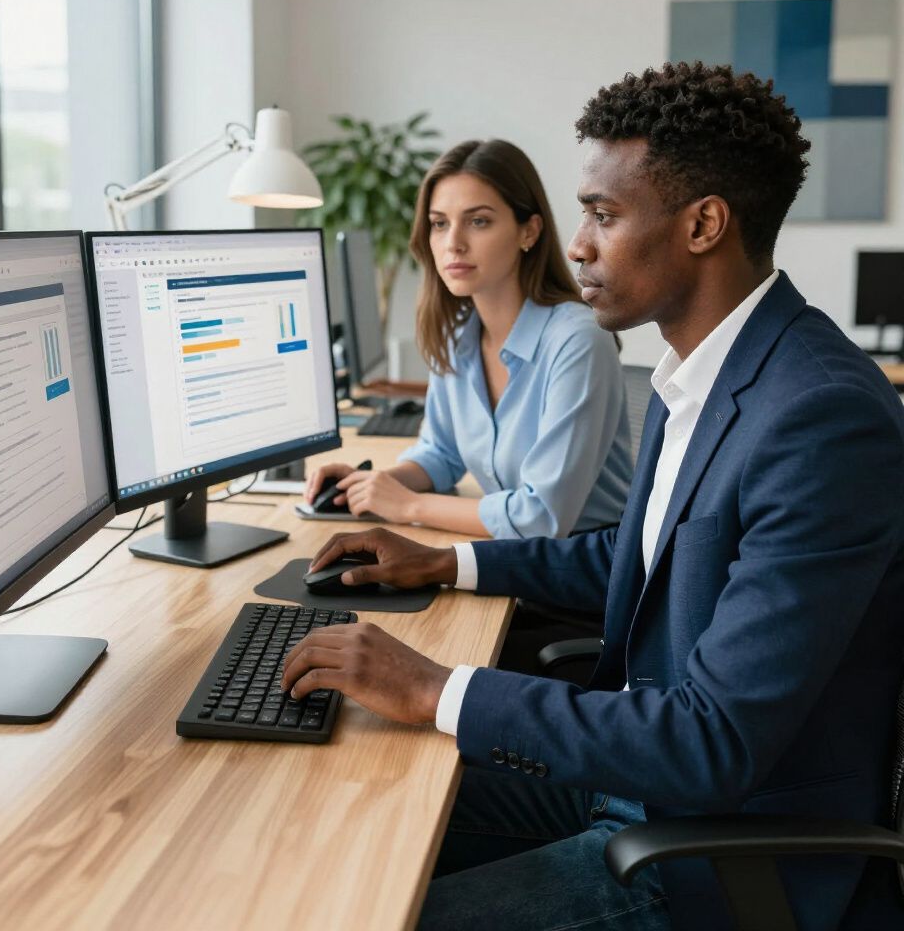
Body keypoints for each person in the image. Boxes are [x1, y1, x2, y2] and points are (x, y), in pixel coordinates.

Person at [281, 63, 904, 930]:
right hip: (635, 787)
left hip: (719, 856)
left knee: (378, 903)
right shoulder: (700, 371)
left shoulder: (819, 416)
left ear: (703, 225)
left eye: (604, 216)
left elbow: (711, 740)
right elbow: (636, 556)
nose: (576, 245)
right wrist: (445, 560)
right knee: (346, 801)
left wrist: (434, 688)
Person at [305, 139, 632, 539]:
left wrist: (407, 505)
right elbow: (440, 455)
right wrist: (370, 485)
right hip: (515, 556)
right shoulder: (458, 334)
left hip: (586, 569)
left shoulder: (577, 340)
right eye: (439, 223)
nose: (452, 242)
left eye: (478, 221)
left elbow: (540, 518)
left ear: (528, 231)